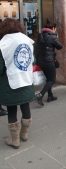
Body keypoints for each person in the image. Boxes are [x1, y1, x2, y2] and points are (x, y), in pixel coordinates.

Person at [0, 18, 35, 149]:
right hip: (25, 80)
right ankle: (24, 134)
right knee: (25, 107)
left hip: (9, 82)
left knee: (12, 110)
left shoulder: (2, 44)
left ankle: (15, 140)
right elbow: (32, 60)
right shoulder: (26, 40)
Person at [35, 19, 63, 106]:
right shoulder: (52, 36)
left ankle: (50, 96)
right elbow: (60, 47)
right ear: (53, 28)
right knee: (52, 79)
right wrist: (56, 37)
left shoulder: (40, 35)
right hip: (48, 61)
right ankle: (40, 94)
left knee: (48, 78)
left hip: (40, 60)